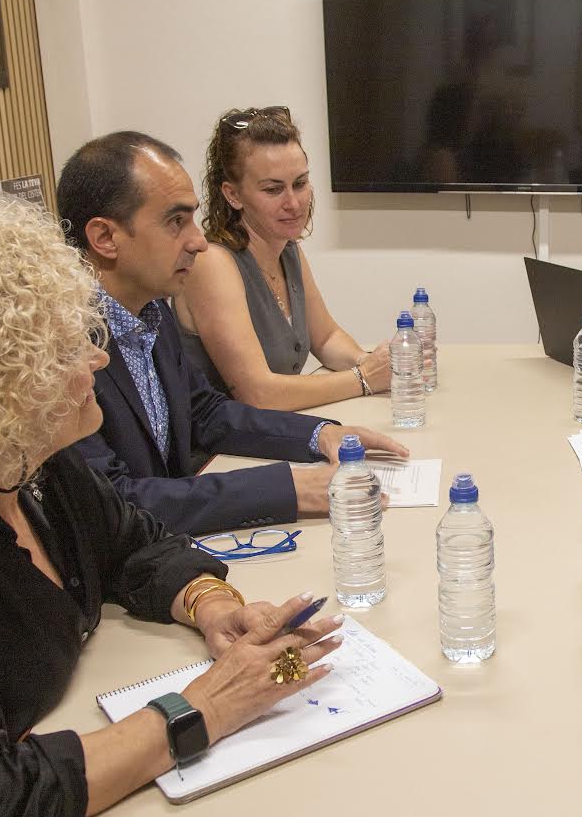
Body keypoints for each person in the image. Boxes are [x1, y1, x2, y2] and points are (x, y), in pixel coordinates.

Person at [0, 199, 342, 817]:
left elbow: (134, 544)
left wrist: (214, 606)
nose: (98, 358)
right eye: (68, 349)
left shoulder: (26, 462)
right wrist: (200, 707)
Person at [56, 131, 407, 537]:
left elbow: (206, 412)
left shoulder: (151, 310)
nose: (198, 241)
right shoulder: (59, 349)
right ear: (104, 238)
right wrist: (286, 488)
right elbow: (112, 503)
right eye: (175, 222)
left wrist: (318, 434)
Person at [175, 106, 392, 410]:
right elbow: (258, 394)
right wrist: (364, 378)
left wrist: (372, 362)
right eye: (273, 189)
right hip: (220, 439)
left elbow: (326, 338)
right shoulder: (212, 263)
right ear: (232, 195)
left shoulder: (288, 250)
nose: (293, 203)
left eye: (300, 184)